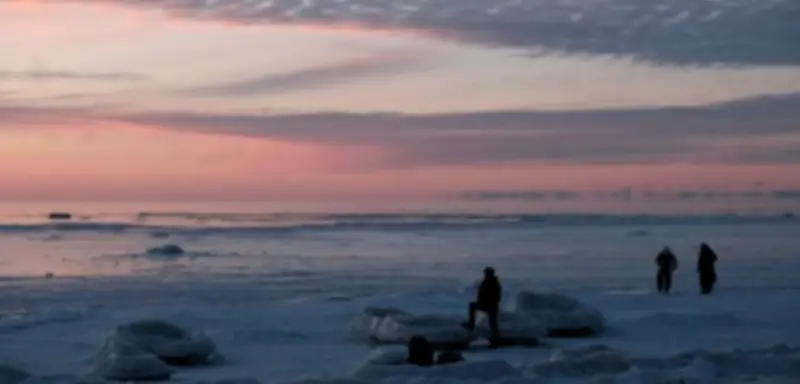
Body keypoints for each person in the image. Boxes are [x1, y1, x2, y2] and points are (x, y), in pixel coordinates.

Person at [462, 267, 502, 343]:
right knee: (473, 306)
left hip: (491, 305)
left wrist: (488, 302)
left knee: (493, 322)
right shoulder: (487, 281)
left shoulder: (493, 283)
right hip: (485, 304)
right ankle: (471, 324)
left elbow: (496, 296)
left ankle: (495, 337)